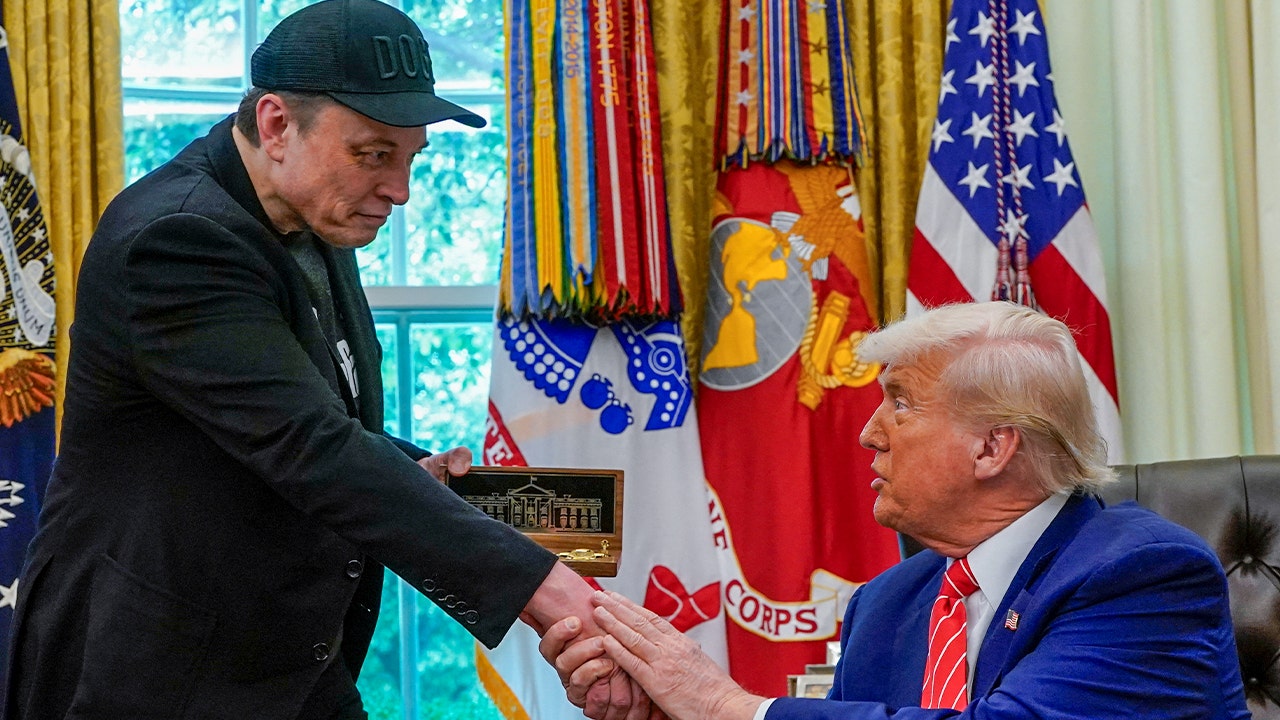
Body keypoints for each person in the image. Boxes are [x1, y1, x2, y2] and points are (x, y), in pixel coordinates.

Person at [0, 2, 647, 718]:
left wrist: (411, 470)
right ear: (277, 124)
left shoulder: (311, 213)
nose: (400, 190)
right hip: (155, 666)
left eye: (410, 158)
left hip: (287, 656)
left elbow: (296, 412)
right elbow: (309, 445)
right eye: (373, 154)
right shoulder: (177, 238)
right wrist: (556, 595)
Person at [546, 301, 1252, 719]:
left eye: (901, 404)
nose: (869, 433)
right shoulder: (887, 603)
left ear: (993, 447)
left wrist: (729, 706)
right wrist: (672, 710)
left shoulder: (1144, 576)